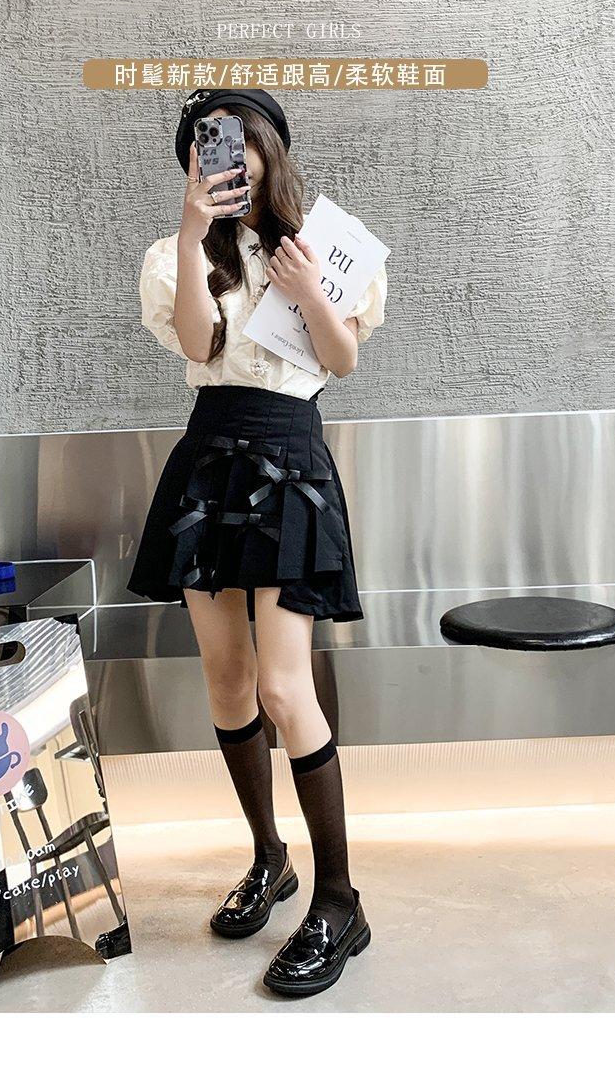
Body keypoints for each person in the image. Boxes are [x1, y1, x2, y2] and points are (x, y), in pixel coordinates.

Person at [126, 88, 387, 998]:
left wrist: (307, 289)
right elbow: (199, 343)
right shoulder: (176, 254)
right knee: (229, 679)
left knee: (284, 685)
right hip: (208, 461)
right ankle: (270, 857)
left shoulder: (321, 244)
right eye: (211, 149)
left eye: (243, 145)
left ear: (272, 150)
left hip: (289, 462)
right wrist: (191, 229)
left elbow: (340, 361)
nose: (230, 162)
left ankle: (340, 899)